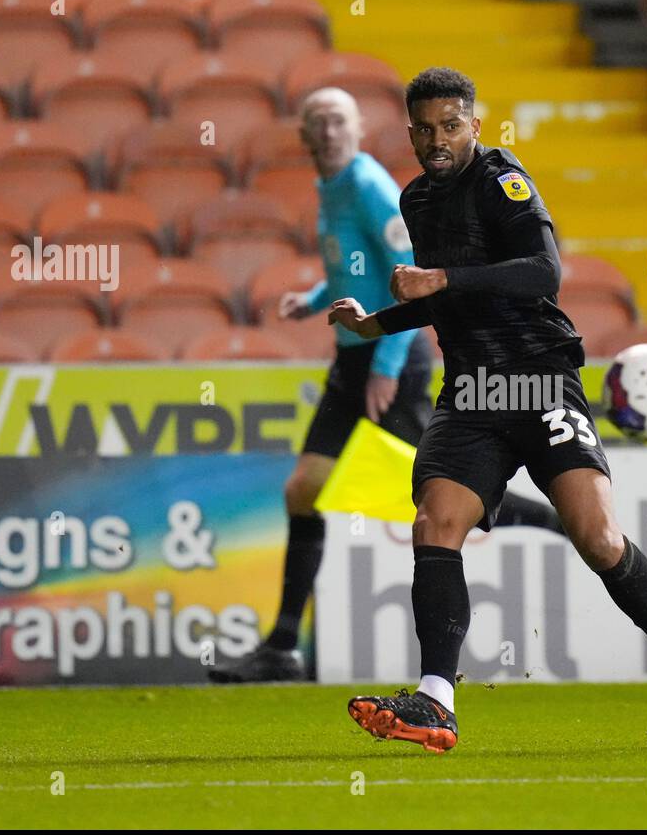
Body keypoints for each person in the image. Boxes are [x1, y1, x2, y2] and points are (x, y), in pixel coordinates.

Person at [326, 68, 647, 751]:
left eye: (452, 125)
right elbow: (448, 297)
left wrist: (443, 277)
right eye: (426, 129)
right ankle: (436, 701)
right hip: (473, 392)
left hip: (541, 380)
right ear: (410, 132)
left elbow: (542, 272)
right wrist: (375, 325)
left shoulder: (502, 180)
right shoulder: (416, 201)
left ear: (475, 124)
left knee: (599, 539)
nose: (439, 140)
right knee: (435, 521)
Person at [209, 87, 563, 684]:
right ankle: (283, 646)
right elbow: (361, 271)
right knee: (305, 489)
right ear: (302, 134)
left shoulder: (370, 186)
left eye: (338, 121)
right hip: (352, 361)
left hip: (388, 363)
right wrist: (317, 299)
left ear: (357, 130)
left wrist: (386, 361)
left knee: (447, 488)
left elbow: (410, 279)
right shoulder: (331, 188)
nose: (327, 131)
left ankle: (553, 519)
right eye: (316, 121)